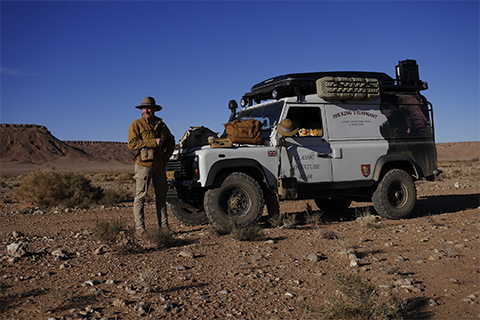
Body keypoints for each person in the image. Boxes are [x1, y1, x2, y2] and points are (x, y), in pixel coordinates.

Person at [127, 97, 175, 235]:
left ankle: (164, 227)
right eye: (144, 108)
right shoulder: (136, 125)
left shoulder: (162, 125)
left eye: (149, 108)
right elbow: (132, 144)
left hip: (160, 164)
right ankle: (140, 229)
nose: (146, 110)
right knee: (141, 196)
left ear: (154, 109)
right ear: (141, 110)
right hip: (144, 165)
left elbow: (171, 140)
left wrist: (168, 154)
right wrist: (153, 142)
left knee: (161, 196)